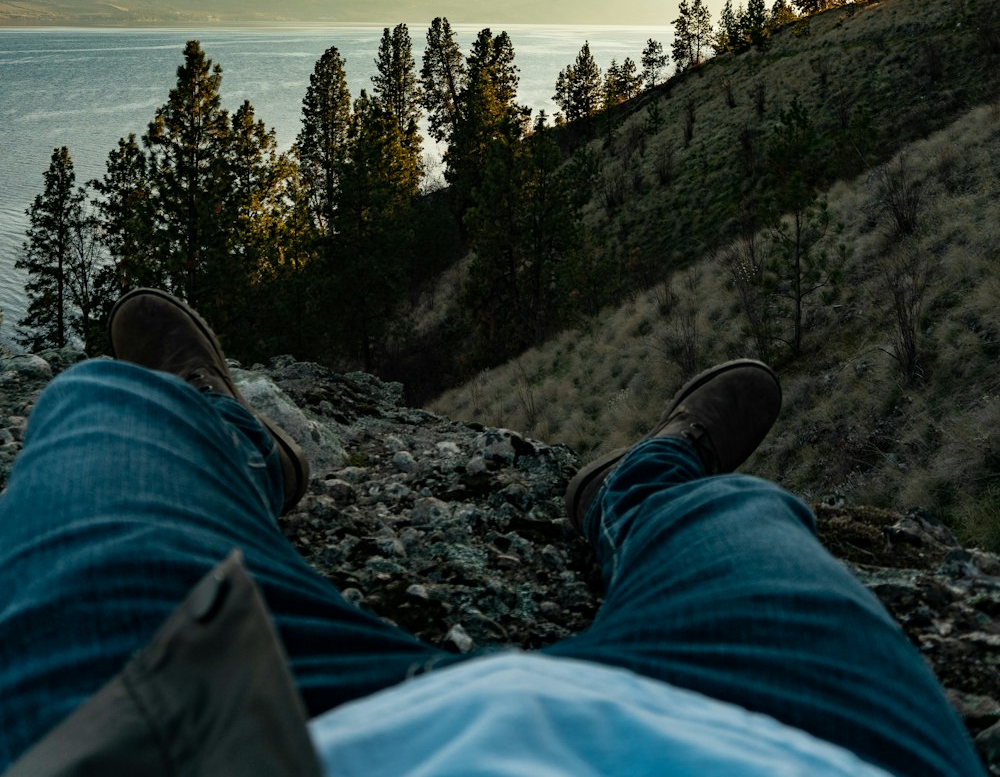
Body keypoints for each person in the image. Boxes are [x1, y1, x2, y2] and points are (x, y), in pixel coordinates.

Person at [0, 289, 984, 776]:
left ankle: (233, 437)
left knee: (103, 408)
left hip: (230, 748)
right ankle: (640, 484)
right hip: (773, 743)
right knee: (747, 516)